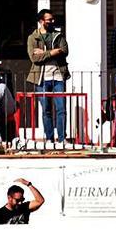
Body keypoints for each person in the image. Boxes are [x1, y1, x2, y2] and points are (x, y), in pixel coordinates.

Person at [26, 10, 69, 147]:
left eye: (52, 19)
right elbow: (34, 58)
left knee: (61, 108)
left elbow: (65, 51)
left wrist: (44, 53)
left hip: (58, 76)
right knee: (46, 110)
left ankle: (62, 139)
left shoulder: (58, 35)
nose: (52, 22)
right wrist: (52, 52)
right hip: (41, 78)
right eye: (49, 20)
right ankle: (50, 139)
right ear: (41, 21)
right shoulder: (33, 38)